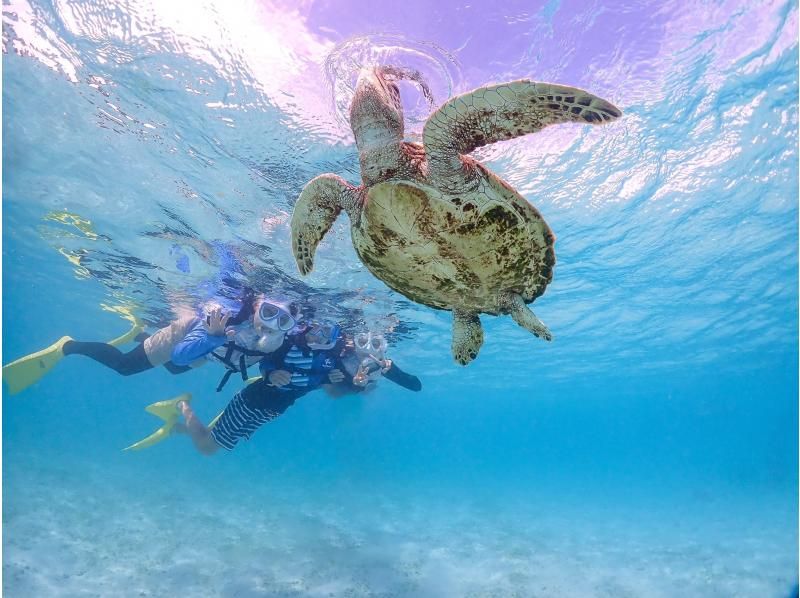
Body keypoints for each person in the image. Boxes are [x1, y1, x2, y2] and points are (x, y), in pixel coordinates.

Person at [127, 324, 421, 454]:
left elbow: (415, 386)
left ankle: (176, 426)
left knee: (216, 441)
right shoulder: (329, 352)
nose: (364, 353)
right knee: (208, 447)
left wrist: (385, 369)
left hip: (273, 409)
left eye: (376, 347)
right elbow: (274, 358)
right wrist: (270, 372)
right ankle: (181, 405)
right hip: (257, 399)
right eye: (362, 343)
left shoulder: (343, 366)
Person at [1, 290, 299, 395]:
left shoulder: (280, 341)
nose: (271, 323)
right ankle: (69, 346)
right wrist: (213, 336)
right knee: (125, 367)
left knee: (172, 370)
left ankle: (141, 336)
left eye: (282, 320)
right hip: (191, 337)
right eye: (268, 312)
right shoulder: (224, 318)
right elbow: (181, 356)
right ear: (258, 304)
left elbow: (272, 360)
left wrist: (272, 371)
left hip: (211, 352)